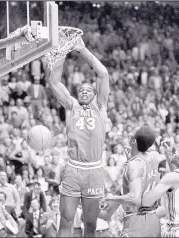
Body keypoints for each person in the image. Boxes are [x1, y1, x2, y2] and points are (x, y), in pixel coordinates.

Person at [46, 36, 109, 237]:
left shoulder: (100, 107)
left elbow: (103, 73)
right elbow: (54, 81)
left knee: (90, 225)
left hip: (94, 171)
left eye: (88, 90)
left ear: (95, 94)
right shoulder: (71, 106)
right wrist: (62, 52)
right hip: (73, 169)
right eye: (81, 89)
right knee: (65, 223)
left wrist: (82, 50)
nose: (83, 91)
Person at [99, 125, 161, 237]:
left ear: (133, 141)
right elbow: (142, 178)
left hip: (136, 222)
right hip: (153, 220)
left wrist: (111, 197)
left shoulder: (134, 165)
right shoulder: (154, 158)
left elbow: (135, 199)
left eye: (133, 131)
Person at [142, 144, 179, 237]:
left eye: (178, 152)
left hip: (177, 230)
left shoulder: (172, 177)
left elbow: (146, 202)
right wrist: (168, 155)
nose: (175, 152)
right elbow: (178, 177)